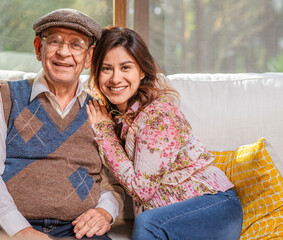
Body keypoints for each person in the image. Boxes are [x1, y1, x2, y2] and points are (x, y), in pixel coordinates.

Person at [0, 9, 124, 240]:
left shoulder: (101, 113)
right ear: (39, 48)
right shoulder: (2, 98)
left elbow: (113, 185)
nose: (63, 52)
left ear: (89, 58)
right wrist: (21, 230)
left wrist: (104, 212)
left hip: (78, 230)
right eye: (55, 42)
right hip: (6, 228)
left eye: (76, 44)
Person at [85, 27, 243, 240]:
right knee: (150, 222)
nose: (115, 78)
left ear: (142, 71)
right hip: (172, 218)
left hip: (214, 208)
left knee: (148, 224)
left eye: (125, 67)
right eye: (106, 68)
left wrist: (104, 133)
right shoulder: (112, 115)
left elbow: (142, 190)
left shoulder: (158, 115)